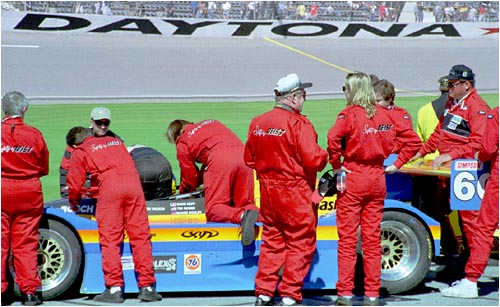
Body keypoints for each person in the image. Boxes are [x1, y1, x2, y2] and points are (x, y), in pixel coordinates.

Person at [328, 72, 420, 306]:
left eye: (345, 88)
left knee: (348, 239)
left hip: (354, 177)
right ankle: (372, 293)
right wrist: (396, 164)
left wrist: (337, 167)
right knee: (371, 238)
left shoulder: (348, 114)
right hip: (377, 177)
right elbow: (414, 142)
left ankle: (346, 293)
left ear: (354, 90)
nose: (344, 92)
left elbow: (331, 140)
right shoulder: (385, 115)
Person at [244, 73, 328, 306]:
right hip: (295, 190)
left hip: (269, 191)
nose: (304, 100)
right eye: (303, 95)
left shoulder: (258, 122)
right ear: (293, 96)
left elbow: (249, 159)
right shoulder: (299, 123)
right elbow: (314, 160)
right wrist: (326, 155)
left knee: (272, 240)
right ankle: (290, 294)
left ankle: (264, 292)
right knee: (300, 241)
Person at [410, 64, 491, 277]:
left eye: (452, 84)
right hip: (447, 171)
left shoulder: (477, 107)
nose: (448, 88)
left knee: (469, 220)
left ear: (466, 85)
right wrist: (420, 152)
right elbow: (438, 133)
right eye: (447, 84)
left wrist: (450, 155)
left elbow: (479, 143)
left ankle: (473, 269)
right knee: (438, 212)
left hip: (466, 171)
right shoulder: (452, 103)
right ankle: (454, 255)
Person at [66, 126, 162, 303]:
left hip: (111, 190)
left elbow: (75, 183)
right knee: (141, 236)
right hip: (134, 186)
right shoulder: (116, 142)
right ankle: (147, 287)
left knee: (110, 239)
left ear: (74, 144)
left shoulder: (81, 150)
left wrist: (74, 202)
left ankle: (114, 288)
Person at [166, 119, 259, 246]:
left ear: (175, 136)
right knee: (245, 202)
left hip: (220, 159)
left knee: (213, 208)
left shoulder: (182, 142)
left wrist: (183, 194)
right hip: (243, 157)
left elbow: (190, 177)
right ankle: (263, 218)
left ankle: (242, 216)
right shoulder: (211, 123)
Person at [440, 106, 499, 298]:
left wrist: (480, 156)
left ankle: (471, 280)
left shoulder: (497, 113)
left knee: (484, 227)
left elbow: (488, 149)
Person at [1, 91, 49, 306]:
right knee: (27, 242)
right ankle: (29, 292)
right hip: (29, 190)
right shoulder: (34, 134)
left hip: (2, 188)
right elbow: (43, 166)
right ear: (24, 109)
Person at [413, 77, 459, 261]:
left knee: (431, 212)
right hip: (455, 167)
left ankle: (439, 250)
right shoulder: (457, 111)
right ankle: (455, 251)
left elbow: (422, 140)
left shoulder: (424, 110)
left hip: (429, 169)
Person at [59, 106, 121, 197]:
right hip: (84, 193)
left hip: (107, 192)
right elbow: (65, 168)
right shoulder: (78, 138)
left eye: (106, 123)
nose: (103, 127)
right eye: (99, 123)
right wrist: (64, 191)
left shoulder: (116, 140)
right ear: (91, 122)